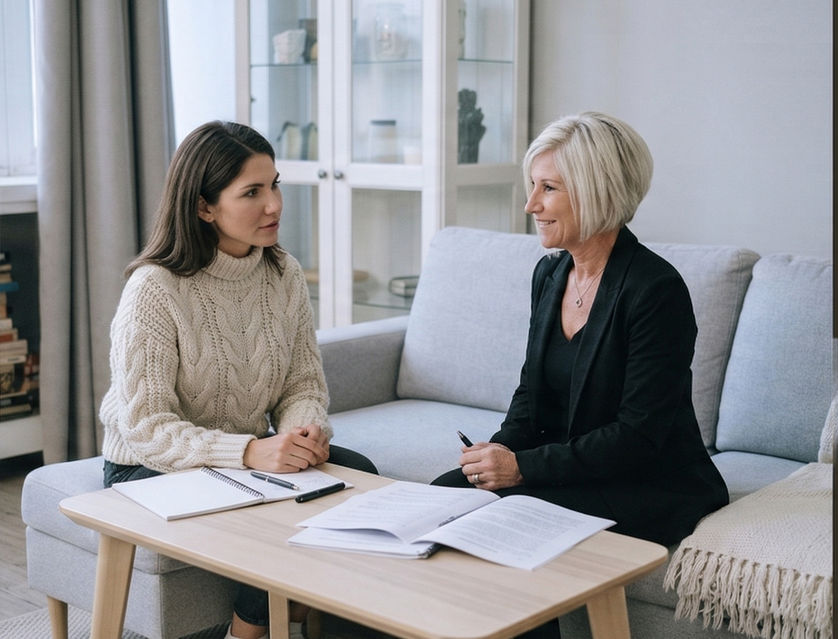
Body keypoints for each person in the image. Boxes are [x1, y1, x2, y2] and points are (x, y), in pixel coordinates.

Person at [432, 112, 729, 638]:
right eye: (532, 186)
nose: (530, 206)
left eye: (548, 188)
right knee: (444, 498)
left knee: (510, 525)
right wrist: (495, 458)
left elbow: (638, 435)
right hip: (569, 467)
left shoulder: (655, 290)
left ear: (595, 192)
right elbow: (530, 394)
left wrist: (520, 470)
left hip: (648, 480)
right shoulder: (551, 272)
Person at [99, 121, 377, 639]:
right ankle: (250, 632)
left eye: (275, 185)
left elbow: (302, 385)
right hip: (148, 467)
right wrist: (251, 452)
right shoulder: (154, 289)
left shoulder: (283, 273)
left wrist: (304, 431)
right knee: (274, 516)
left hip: (242, 457)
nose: (273, 205)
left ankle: (291, 618)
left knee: (356, 470)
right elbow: (146, 428)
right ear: (204, 206)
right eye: (252, 192)